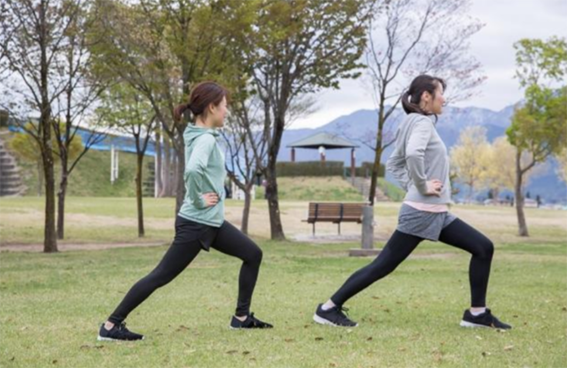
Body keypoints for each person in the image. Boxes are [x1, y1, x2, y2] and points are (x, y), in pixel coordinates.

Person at [313, 75, 511, 330]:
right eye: (441, 93)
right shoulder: (422, 123)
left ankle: (477, 314)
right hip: (422, 212)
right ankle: (328, 308)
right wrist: (422, 186)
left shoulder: (411, 121)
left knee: (483, 248)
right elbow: (412, 154)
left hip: (434, 212)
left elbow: (394, 164)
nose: (444, 99)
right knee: (382, 266)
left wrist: (414, 187)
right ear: (426, 96)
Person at [98, 81, 273, 342]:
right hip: (196, 223)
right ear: (212, 107)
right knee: (161, 275)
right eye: (224, 107)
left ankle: (241, 318)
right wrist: (200, 200)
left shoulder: (199, 134)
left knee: (252, 254)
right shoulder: (204, 140)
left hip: (212, 223)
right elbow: (192, 170)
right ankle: (111, 326)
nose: (226, 112)